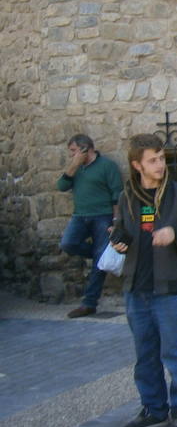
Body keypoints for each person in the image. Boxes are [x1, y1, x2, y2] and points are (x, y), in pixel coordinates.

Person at [112, 134, 177, 427]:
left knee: (175, 353)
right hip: (136, 288)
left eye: (162, 158)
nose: (160, 164)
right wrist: (118, 239)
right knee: (145, 354)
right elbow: (121, 229)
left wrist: (174, 233)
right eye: (153, 160)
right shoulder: (127, 197)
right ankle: (153, 409)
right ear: (137, 164)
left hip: (167, 288)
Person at [56, 134, 123, 318]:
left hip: (102, 216)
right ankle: (98, 253)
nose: (72, 155)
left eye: (74, 151)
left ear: (86, 148)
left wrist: (116, 220)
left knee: (99, 264)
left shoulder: (107, 166)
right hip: (80, 216)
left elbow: (117, 193)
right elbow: (61, 186)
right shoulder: (75, 168)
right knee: (68, 244)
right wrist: (74, 165)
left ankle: (89, 303)